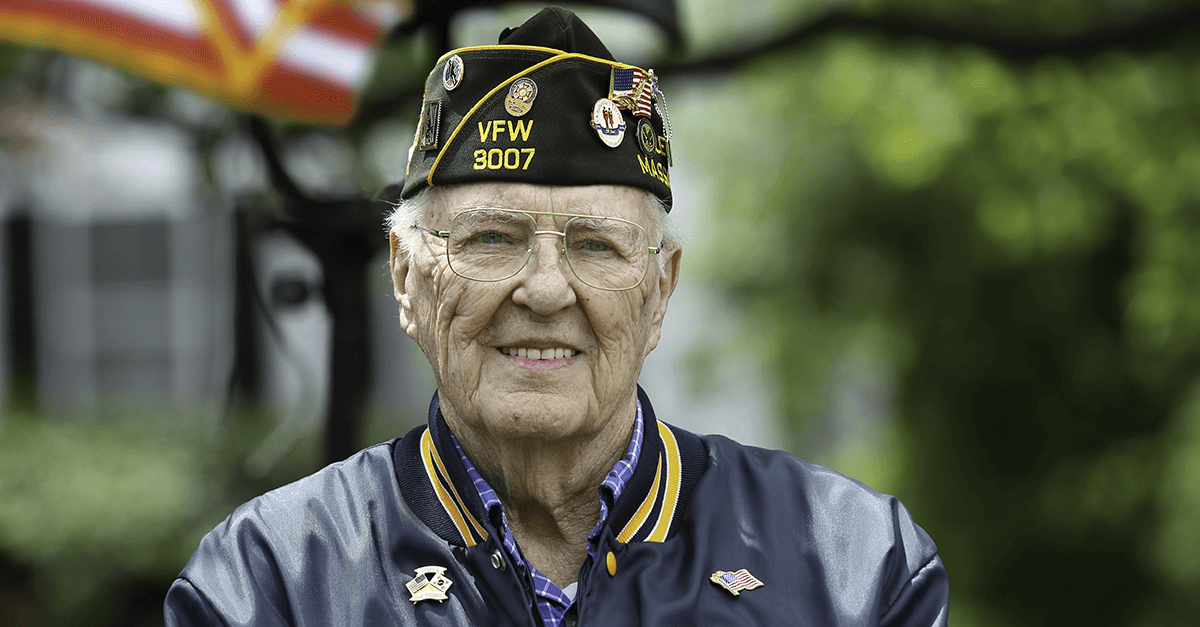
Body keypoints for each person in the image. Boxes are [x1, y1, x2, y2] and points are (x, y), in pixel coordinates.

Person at [165, 7, 949, 626]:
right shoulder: (271, 581)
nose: (545, 290)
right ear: (406, 277)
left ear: (660, 292)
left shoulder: (853, 565)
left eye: (597, 246)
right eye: (492, 238)